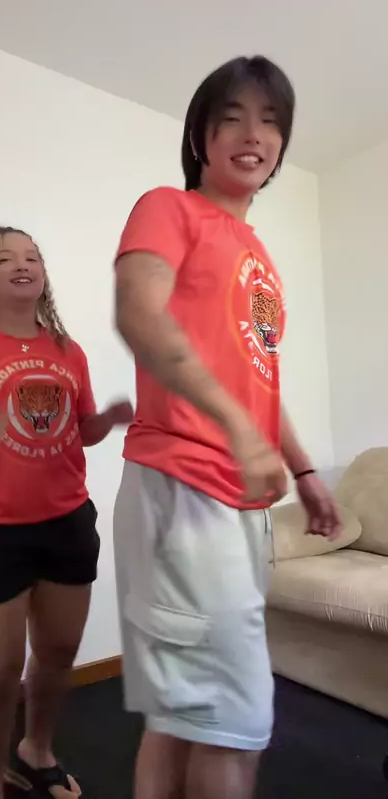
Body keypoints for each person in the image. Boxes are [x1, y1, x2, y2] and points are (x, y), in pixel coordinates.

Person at [113, 56, 342, 799]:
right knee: (232, 721)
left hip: (242, 500)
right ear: (200, 137)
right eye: (233, 118)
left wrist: (304, 472)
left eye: (271, 122)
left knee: (182, 716)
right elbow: (138, 313)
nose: (254, 135)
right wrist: (235, 426)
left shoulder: (259, 257)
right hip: (184, 485)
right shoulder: (169, 208)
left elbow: (259, 377)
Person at [0, 226, 133, 799]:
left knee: (57, 655)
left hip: (66, 522)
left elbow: (77, 430)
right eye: (6, 257)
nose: (23, 263)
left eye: (32, 256)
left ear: (42, 273)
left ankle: (36, 750)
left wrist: (104, 421)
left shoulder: (68, 351)